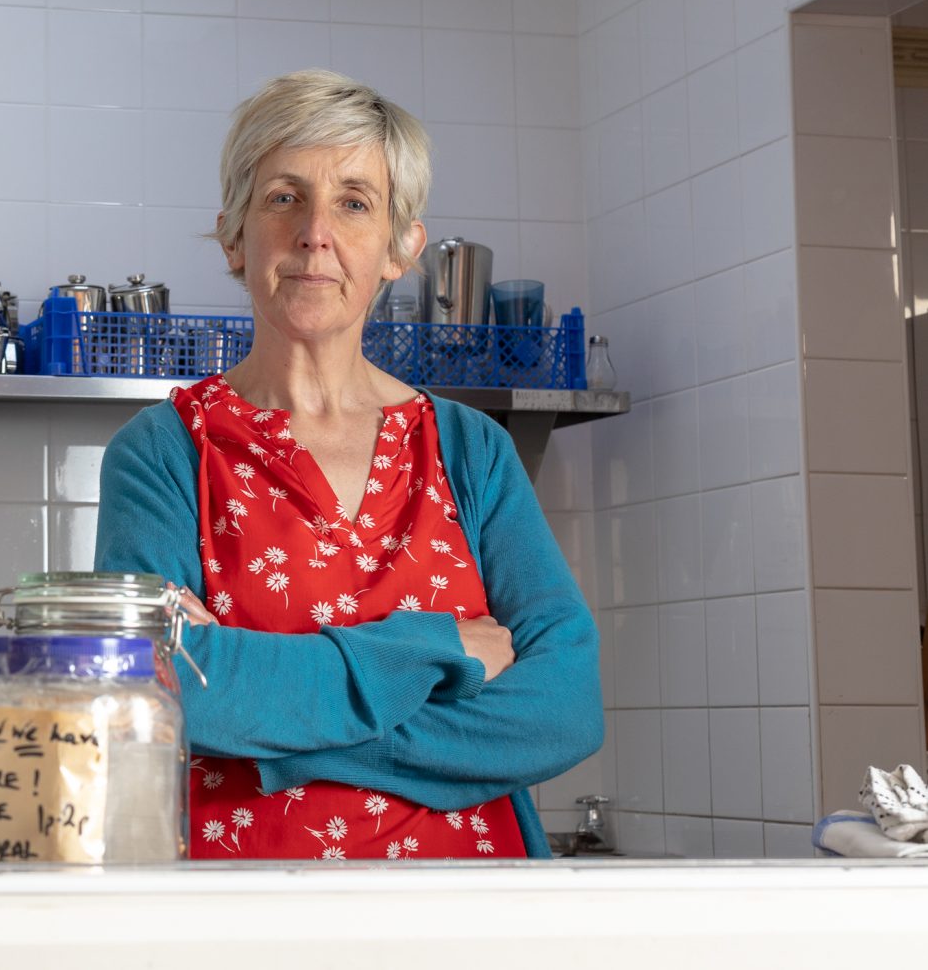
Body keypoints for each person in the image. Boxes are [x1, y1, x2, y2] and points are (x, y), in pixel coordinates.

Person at [94, 69, 601, 860]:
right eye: (283, 197)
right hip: (239, 924)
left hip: (476, 920)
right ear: (233, 234)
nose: (314, 233)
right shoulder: (164, 452)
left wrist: (270, 730)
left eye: (354, 202)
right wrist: (436, 651)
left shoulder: (470, 450)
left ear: (401, 246)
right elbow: (162, 688)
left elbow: (563, 709)